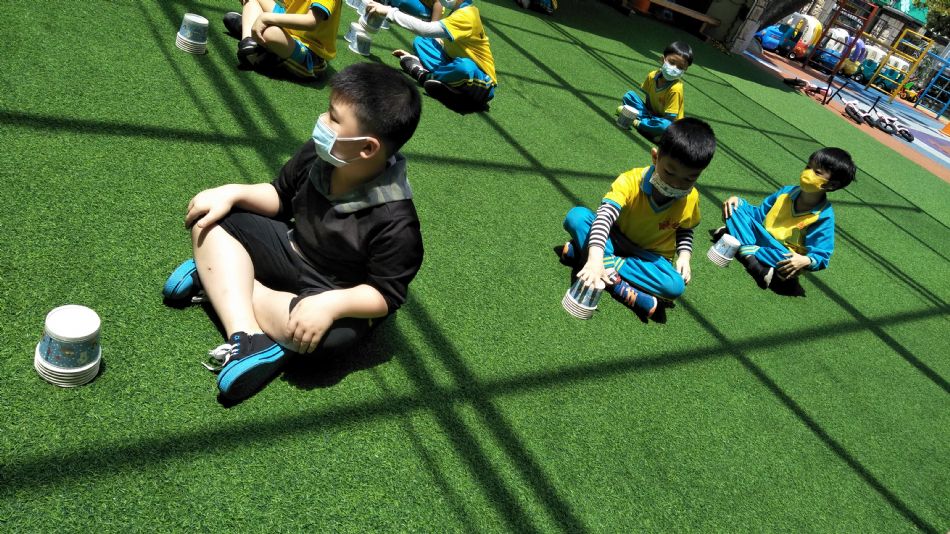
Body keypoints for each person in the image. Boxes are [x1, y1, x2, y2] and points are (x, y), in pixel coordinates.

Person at [162, 63, 424, 404]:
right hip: (288, 251)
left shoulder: (397, 222)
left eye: (333, 118)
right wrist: (233, 192)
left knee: (324, 338)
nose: (322, 121)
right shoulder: (321, 154)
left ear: (367, 148)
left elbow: (385, 295)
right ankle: (247, 333)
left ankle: (218, 280)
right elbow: (280, 196)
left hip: (329, 292)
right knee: (210, 219)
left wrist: (331, 304)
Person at [555, 118, 715, 323]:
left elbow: (685, 229)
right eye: (669, 172)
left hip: (650, 257)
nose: (676, 184)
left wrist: (684, 256)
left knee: (675, 286)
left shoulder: (691, 198)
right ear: (655, 157)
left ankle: (587, 255)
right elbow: (605, 216)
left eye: (689, 179)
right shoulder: (631, 180)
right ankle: (616, 283)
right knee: (577, 217)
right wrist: (595, 257)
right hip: (615, 238)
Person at [713, 148, 856, 296]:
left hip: (780, 252)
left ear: (832, 185)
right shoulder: (786, 192)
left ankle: (737, 241)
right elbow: (758, 214)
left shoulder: (823, 217)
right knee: (734, 208)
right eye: (808, 167)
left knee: (791, 263)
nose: (808, 173)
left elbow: (821, 256)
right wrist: (738, 202)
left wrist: (805, 261)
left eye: (817, 172)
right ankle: (753, 260)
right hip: (760, 235)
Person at [364, 0, 497, 112]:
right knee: (422, 42)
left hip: (481, 81)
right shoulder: (458, 10)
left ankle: (423, 75)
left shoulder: (467, 15)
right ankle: (447, 83)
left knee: (465, 67)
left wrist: (389, 11)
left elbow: (425, 29)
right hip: (452, 62)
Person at [221, 0, 342, 79]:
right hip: (290, 27)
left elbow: (311, 22)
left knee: (270, 33)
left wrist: (266, 18)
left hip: (310, 52)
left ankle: (254, 28)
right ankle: (249, 43)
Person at [616, 41, 692, 140]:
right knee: (629, 96)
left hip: (671, 124)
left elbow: (670, 118)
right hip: (651, 115)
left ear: (684, 70)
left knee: (664, 125)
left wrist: (651, 120)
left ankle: (637, 123)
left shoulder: (676, 88)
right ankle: (651, 129)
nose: (674, 68)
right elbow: (648, 96)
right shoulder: (652, 76)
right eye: (672, 62)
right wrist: (649, 114)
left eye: (680, 67)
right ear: (663, 59)